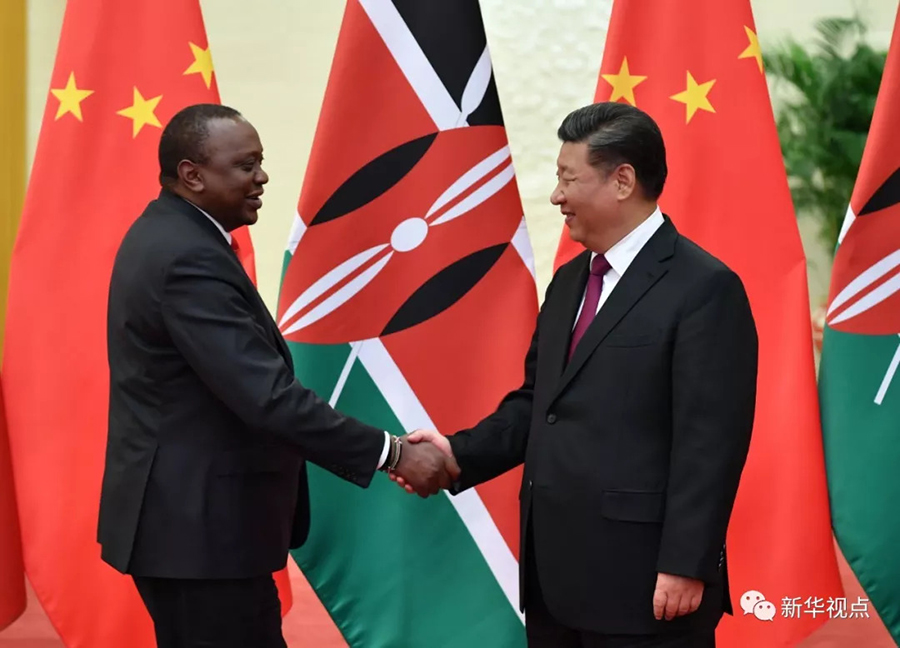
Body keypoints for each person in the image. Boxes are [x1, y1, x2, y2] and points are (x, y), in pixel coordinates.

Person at [396, 102, 758, 648]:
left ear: (622, 181)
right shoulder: (569, 282)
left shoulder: (704, 287)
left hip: (646, 587)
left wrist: (687, 563)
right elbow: (538, 404)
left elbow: (711, 443)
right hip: (555, 582)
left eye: (568, 179)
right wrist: (457, 453)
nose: (556, 196)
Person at [98, 104, 458, 648]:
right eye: (246, 166)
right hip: (200, 537)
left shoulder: (174, 236)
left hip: (195, 532)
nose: (262, 177)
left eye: (260, 162)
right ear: (192, 175)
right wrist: (392, 453)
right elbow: (266, 397)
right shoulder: (186, 257)